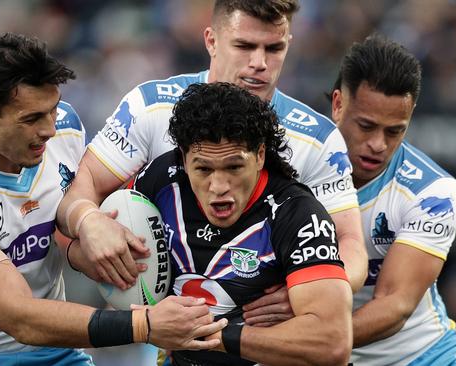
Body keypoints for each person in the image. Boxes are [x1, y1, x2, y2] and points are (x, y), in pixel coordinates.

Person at [0, 29, 226, 366]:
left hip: (48, 354)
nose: (49, 128)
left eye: (51, 109)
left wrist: (87, 227)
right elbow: (19, 317)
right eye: (32, 118)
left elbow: (54, 221)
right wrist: (145, 325)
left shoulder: (64, 127)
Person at [58, 0, 366, 326]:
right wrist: (89, 223)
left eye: (274, 48)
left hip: (266, 339)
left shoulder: (317, 139)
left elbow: (350, 243)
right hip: (173, 335)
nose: (260, 63)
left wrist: (317, 291)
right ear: (211, 41)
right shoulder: (150, 108)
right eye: (244, 46)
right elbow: (83, 185)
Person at [129, 81, 352, 366]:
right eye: (203, 169)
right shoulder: (161, 181)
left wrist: (215, 337)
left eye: (234, 167)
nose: (219, 186)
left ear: (260, 156)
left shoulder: (297, 214)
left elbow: (333, 343)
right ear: (184, 160)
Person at [330, 35, 456, 365]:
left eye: (394, 131)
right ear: (338, 104)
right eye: (366, 126)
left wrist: (310, 342)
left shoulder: (433, 192)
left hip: (424, 356)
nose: (378, 144)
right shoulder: (293, 167)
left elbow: (394, 305)